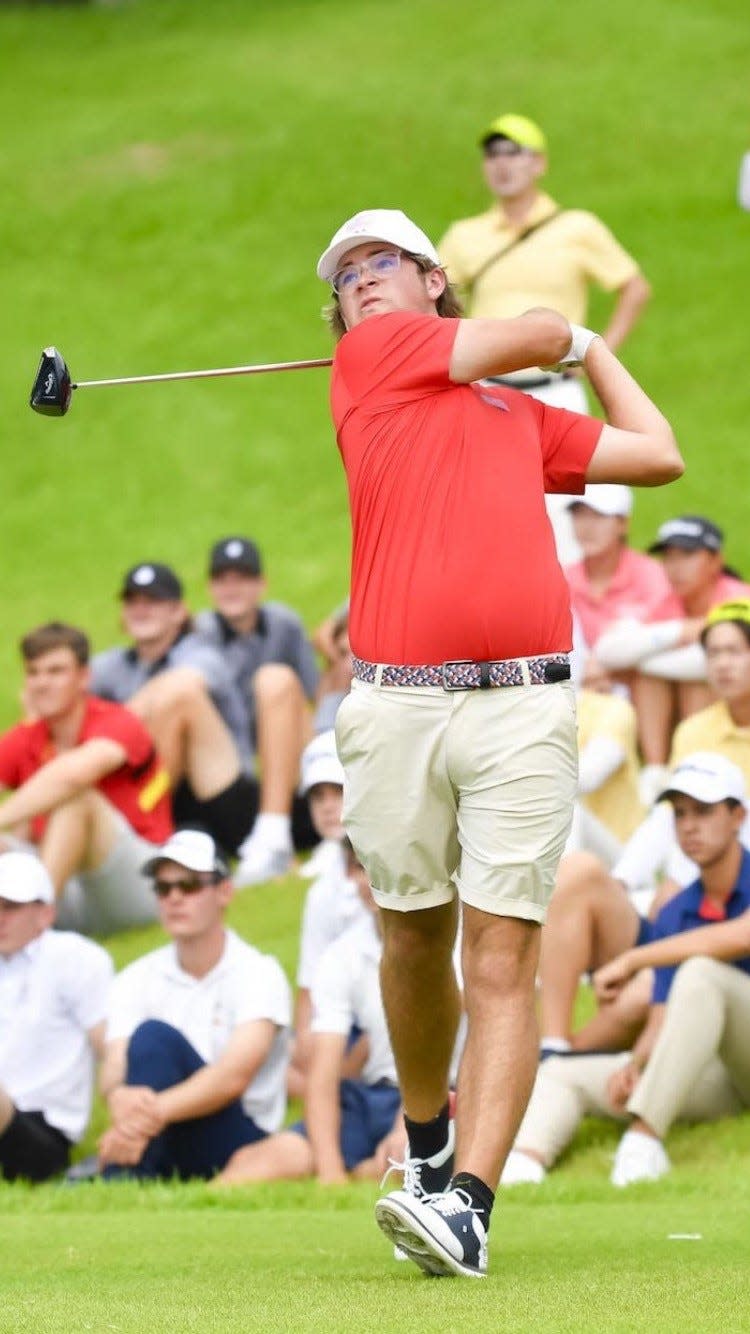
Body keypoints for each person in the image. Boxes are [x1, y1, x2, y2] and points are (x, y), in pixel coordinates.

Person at [315, 205, 683, 1276]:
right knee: (413, 937)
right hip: (397, 705)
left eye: (387, 262)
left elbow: (657, 455)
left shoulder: (517, 420)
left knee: (506, 949)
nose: (367, 282)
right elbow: (530, 331)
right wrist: (565, 335)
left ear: (437, 281)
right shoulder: (372, 362)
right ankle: (427, 1143)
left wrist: (601, 348)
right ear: (343, 315)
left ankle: (468, 1201)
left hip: (524, 701)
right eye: (349, 276)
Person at [502, 753, 750, 1187]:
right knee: (562, 1070)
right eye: (681, 814)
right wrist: (637, 1063)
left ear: (737, 817)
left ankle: (644, 1137)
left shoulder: (677, 926)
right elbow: (662, 1014)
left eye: (705, 812)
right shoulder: (676, 911)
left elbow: (737, 937)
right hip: (716, 1078)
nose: (689, 826)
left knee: (701, 972)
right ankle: (524, 1164)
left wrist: (637, 958)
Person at [438, 113, 651, 563]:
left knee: (569, 522)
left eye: (514, 153)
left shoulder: (576, 227)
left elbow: (634, 287)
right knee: (486, 517)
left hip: (557, 394)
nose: (502, 164)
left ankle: (570, 631)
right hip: (488, 394)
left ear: (539, 164)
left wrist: (597, 352)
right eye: (493, 155)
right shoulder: (465, 235)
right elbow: (435, 304)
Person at [91, 561, 316, 883]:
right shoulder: (111, 666)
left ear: (179, 611)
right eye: (133, 602)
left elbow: (182, 685)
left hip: (224, 793)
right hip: (175, 803)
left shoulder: (200, 653)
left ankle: (134, 833)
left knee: (179, 697)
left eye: (153, 602)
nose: (142, 610)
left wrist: (106, 733)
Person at [98, 829, 291, 1180]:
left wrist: (142, 1116)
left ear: (224, 892)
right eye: (163, 888)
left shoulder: (258, 972)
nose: (174, 898)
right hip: (162, 1128)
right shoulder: (135, 976)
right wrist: (117, 1097)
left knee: (153, 1037)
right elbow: (114, 1064)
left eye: (188, 886)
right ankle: (128, 1175)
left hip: (237, 1134)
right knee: (149, 1043)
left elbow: (233, 1077)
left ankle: (123, 1174)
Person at [215, 840, 409, 1186]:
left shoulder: (454, 943)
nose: (373, 879)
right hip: (368, 1096)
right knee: (265, 1160)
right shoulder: (343, 955)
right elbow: (324, 1073)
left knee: (405, 1162)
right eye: (361, 867)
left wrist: (409, 1125)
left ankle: (370, 1169)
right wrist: (329, 1170)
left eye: (384, 864)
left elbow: (460, 1057)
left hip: (446, 1098)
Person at [0, 622, 172, 934]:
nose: (42, 683)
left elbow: (73, 776)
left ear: (84, 677)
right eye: (34, 673)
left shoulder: (117, 721)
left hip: (141, 882)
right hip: (69, 888)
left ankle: (30, 932)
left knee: (79, 800)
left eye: (55, 672)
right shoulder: (27, 737)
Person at [194, 537, 319, 879]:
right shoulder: (199, 634)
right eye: (223, 579)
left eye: (243, 578)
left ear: (261, 584)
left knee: (279, 683)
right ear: (210, 586)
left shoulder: (284, 624)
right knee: (273, 680)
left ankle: (322, 830)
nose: (232, 588)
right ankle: (275, 835)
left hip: (285, 767)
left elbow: (313, 695)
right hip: (232, 770)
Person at [595, 517, 750, 768]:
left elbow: (706, 665)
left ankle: (696, 765)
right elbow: (608, 651)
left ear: (715, 560)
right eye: (668, 557)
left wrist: (638, 663)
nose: (675, 567)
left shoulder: (739, 598)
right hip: (690, 707)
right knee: (650, 680)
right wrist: (681, 630)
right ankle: (656, 771)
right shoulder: (665, 600)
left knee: (694, 682)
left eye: (687, 555)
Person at [0, 852, 113, 1182]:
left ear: (45, 913)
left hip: (42, 1131)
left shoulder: (75, 959)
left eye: (12, 907)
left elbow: (108, 1045)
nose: (1, 918)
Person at [289, 734, 369, 1097]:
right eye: (318, 797)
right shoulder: (322, 891)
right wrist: (305, 1038)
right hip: (343, 1017)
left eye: (337, 791)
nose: (327, 806)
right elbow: (309, 983)